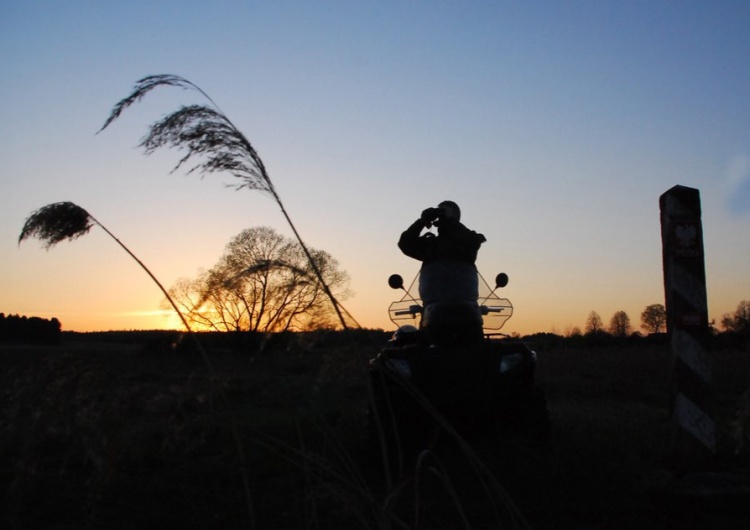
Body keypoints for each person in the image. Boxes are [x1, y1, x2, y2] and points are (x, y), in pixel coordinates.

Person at [398, 201, 486, 342]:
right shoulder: (431, 246)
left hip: (467, 312)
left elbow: (471, 240)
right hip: (432, 313)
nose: (441, 216)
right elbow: (406, 244)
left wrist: (450, 223)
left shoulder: (467, 243)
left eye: (445, 212)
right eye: (439, 213)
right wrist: (422, 221)